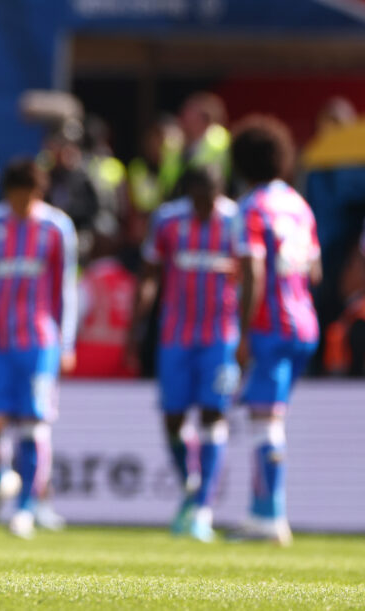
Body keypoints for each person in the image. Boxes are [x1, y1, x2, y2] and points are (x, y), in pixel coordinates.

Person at [0, 158, 77, 539]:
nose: (22, 204)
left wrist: (67, 340)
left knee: (34, 423)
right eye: (16, 197)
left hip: (39, 341)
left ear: (39, 194)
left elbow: (66, 290)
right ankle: (6, 480)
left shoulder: (57, 227)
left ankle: (26, 508)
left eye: (29, 197)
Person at [127, 165, 244, 542]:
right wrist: (136, 322)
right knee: (173, 419)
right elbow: (150, 273)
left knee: (213, 414)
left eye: (209, 199)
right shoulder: (167, 221)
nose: (204, 206)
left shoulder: (236, 221)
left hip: (220, 337)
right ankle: (192, 484)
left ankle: (202, 509)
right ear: (188, 193)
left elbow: (252, 272)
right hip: (175, 335)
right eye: (198, 198)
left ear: (220, 192)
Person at [231, 115, 320, 545]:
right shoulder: (299, 206)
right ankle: (260, 511)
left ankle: (270, 517)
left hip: (270, 324)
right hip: (304, 321)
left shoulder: (251, 207)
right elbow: (315, 270)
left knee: (265, 420)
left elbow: (253, 271)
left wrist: (243, 332)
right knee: (269, 417)